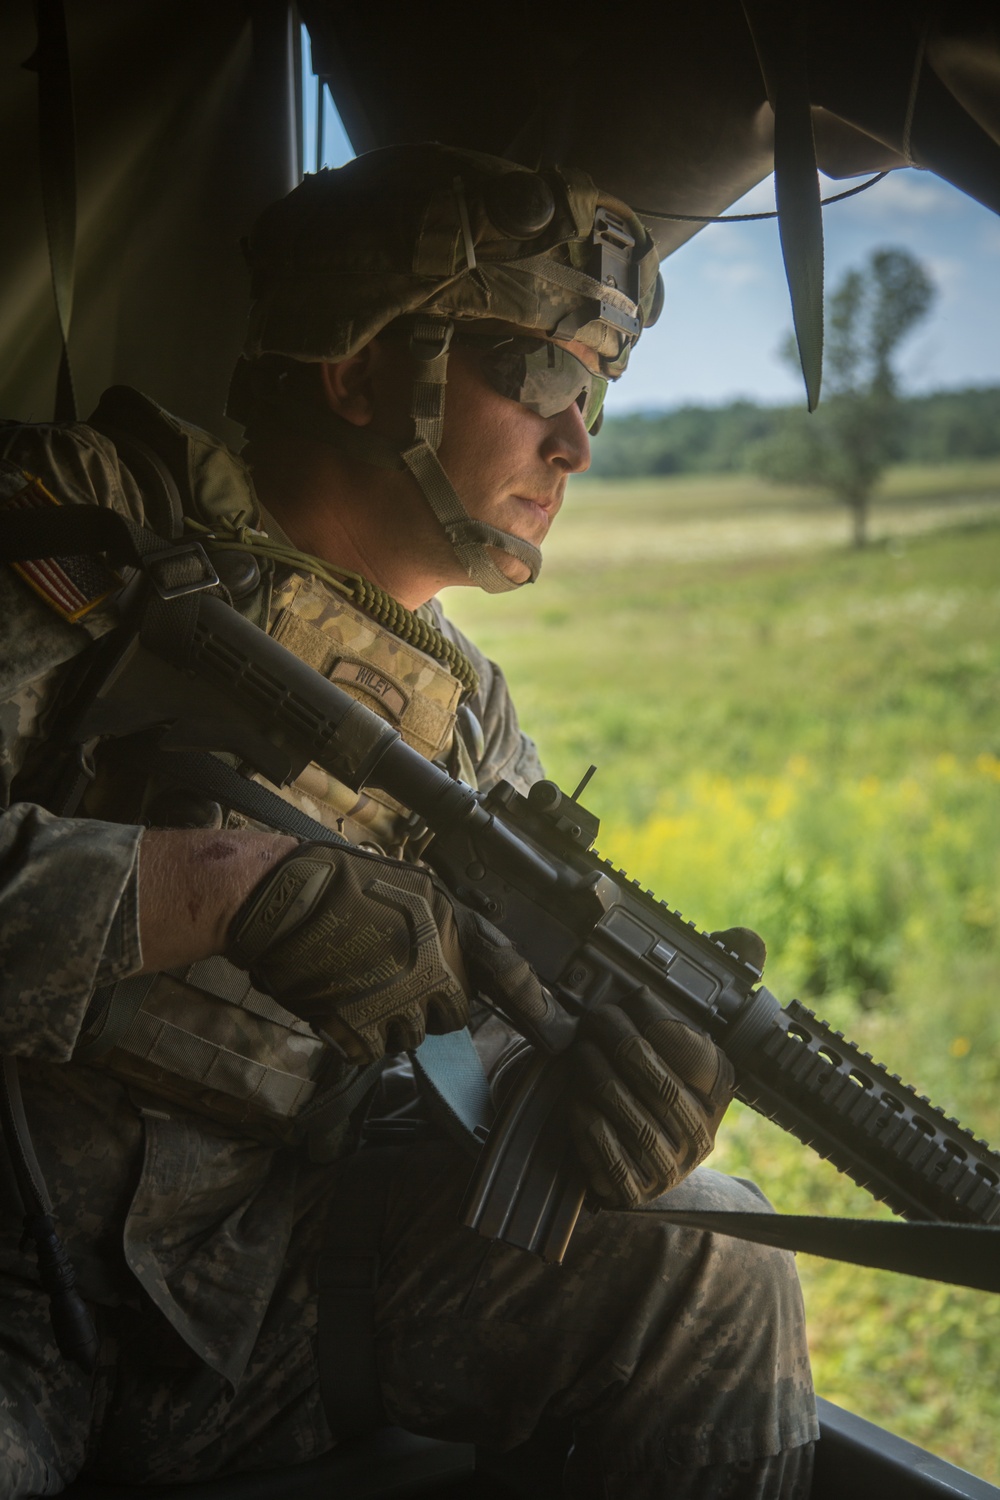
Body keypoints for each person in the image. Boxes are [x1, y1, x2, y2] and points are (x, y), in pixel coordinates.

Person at [0, 144, 817, 1498]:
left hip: (264, 1289)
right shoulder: (83, 533)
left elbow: (488, 1025)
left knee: (711, 1254)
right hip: (16, 1286)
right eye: (544, 375)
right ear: (362, 366)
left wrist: (602, 1093)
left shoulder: (469, 721)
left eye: (597, 394)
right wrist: (228, 889)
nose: (577, 444)